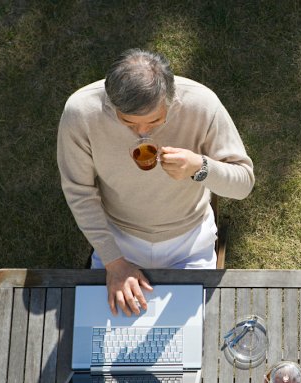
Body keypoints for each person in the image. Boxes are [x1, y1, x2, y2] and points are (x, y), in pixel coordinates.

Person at [57, 49, 254, 317]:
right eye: (128, 122)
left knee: (190, 345)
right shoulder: (81, 113)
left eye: (155, 121)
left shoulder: (202, 104)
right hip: (119, 237)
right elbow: (79, 193)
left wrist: (200, 167)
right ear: (110, 102)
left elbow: (243, 185)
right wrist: (113, 261)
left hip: (190, 241)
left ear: (171, 101)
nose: (143, 133)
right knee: (99, 343)